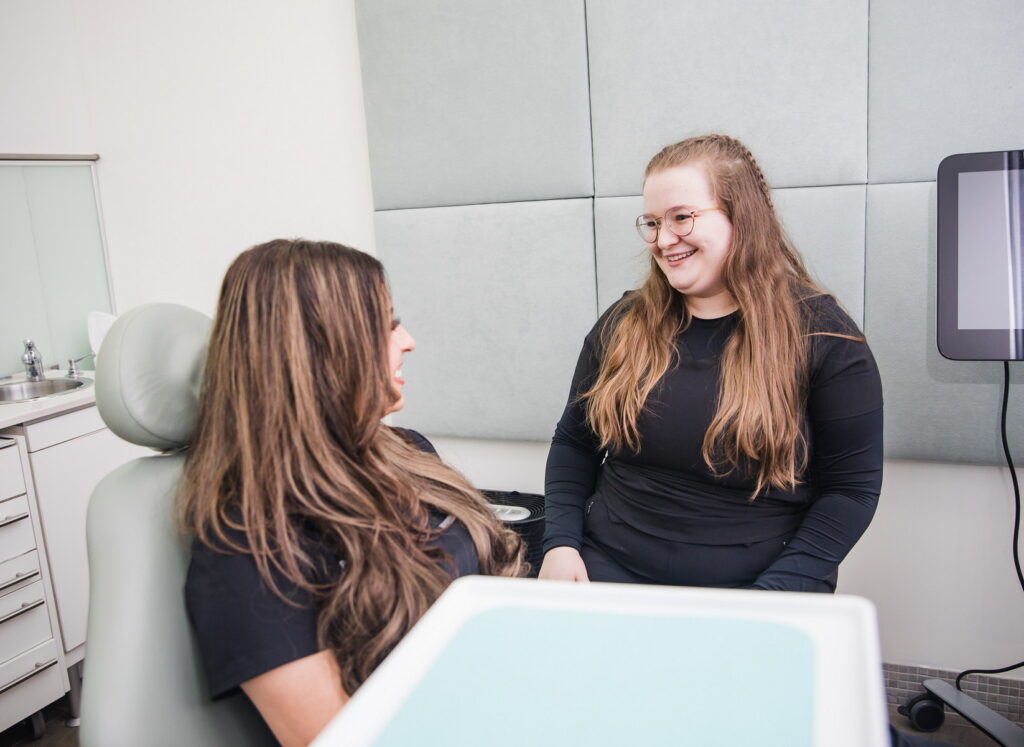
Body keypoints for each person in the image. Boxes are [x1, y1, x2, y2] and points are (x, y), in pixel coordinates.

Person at [180, 239, 525, 746]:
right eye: (386, 325)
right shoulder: (252, 548)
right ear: (322, 350)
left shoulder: (407, 450)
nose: (409, 341)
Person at [540, 133, 883, 593]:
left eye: (681, 217)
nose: (663, 240)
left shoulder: (824, 336)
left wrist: (774, 595)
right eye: (652, 222)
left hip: (758, 588)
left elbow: (850, 492)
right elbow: (573, 443)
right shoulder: (625, 322)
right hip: (606, 571)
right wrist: (561, 544)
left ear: (742, 215)